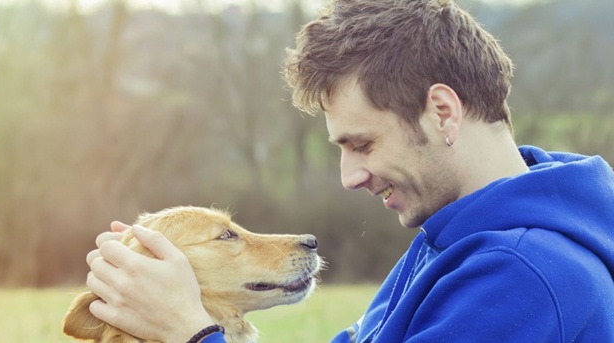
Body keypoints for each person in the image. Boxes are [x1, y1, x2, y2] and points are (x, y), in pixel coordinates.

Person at [83, 0, 614, 342]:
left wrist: (190, 333)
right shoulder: (454, 237)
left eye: (362, 143)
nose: (349, 176)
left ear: (443, 112)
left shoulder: (522, 275)